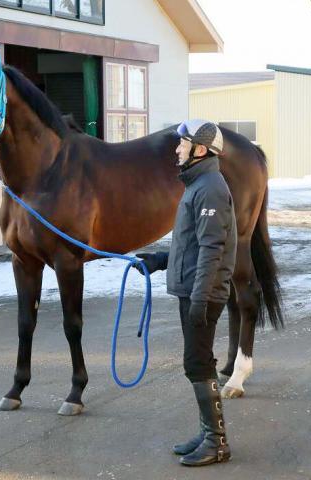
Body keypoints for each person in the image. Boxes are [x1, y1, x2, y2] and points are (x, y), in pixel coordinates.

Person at [135, 120, 237, 466]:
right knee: (200, 362)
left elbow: (212, 247)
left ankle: (216, 442)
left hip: (202, 292)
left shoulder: (209, 188)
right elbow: (191, 244)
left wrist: (200, 299)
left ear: (201, 150)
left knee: (197, 362)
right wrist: (160, 260)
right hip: (195, 287)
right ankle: (208, 432)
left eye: (183, 143)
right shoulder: (198, 185)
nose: (177, 149)